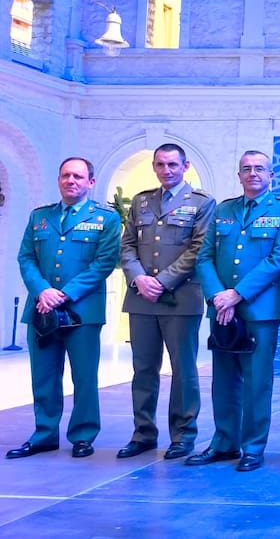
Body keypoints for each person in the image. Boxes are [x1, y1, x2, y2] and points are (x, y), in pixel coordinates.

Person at [188, 150, 280, 472]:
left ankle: (252, 446)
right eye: (246, 169)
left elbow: (278, 259)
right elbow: (204, 257)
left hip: (258, 309)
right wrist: (217, 296)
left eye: (259, 169)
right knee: (223, 380)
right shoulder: (224, 210)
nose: (253, 173)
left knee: (256, 381)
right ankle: (224, 443)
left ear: (270, 176)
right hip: (221, 307)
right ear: (239, 175)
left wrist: (237, 294)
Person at [7, 157, 121, 460]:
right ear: (59, 180)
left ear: (90, 183)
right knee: (43, 375)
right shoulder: (39, 217)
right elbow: (26, 258)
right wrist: (42, 290)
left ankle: (83, 435)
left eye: (78, 177)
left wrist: (65, 294)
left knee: (84, 377)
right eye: (66, 176)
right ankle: (44, 433)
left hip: (82, 311)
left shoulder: (106, 219)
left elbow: (104, 263)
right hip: (42, 309)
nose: (71, 181)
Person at [117, 143, 215, 461]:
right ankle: (143, 433)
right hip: (142, 298)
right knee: (143, 368)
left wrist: (163, 281)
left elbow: (199, 248)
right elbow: (128, 244)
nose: (166, 170)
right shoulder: (143, 201)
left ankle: (183, 435)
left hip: (180, 297)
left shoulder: (202, 203)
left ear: (185, 167)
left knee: (183, 369)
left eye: (173, 165)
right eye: (160, 165)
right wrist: (139, 278)